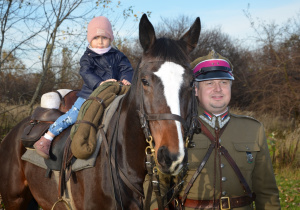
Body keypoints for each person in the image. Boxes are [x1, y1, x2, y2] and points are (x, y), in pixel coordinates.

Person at [144, 50, 280, 210]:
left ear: (230, 87)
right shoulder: (176, 129)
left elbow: (266, 192)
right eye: (209, 83)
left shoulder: (253, 129)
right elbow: (156, 187)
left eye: (224, 82)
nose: (218, 89)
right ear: (195, 89)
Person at [33, 16, 133, 159]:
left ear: (110, 38)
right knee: (74, 116)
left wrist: (126, 79)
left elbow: (127, 69)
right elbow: (86, 72)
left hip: (113, 94)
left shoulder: (118, 55)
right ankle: (47, 137)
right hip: (90, 94)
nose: (100, 41)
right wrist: (100, 83)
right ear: (90, 39)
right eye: (96, 37)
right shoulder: (88, 57)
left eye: (104, 37)